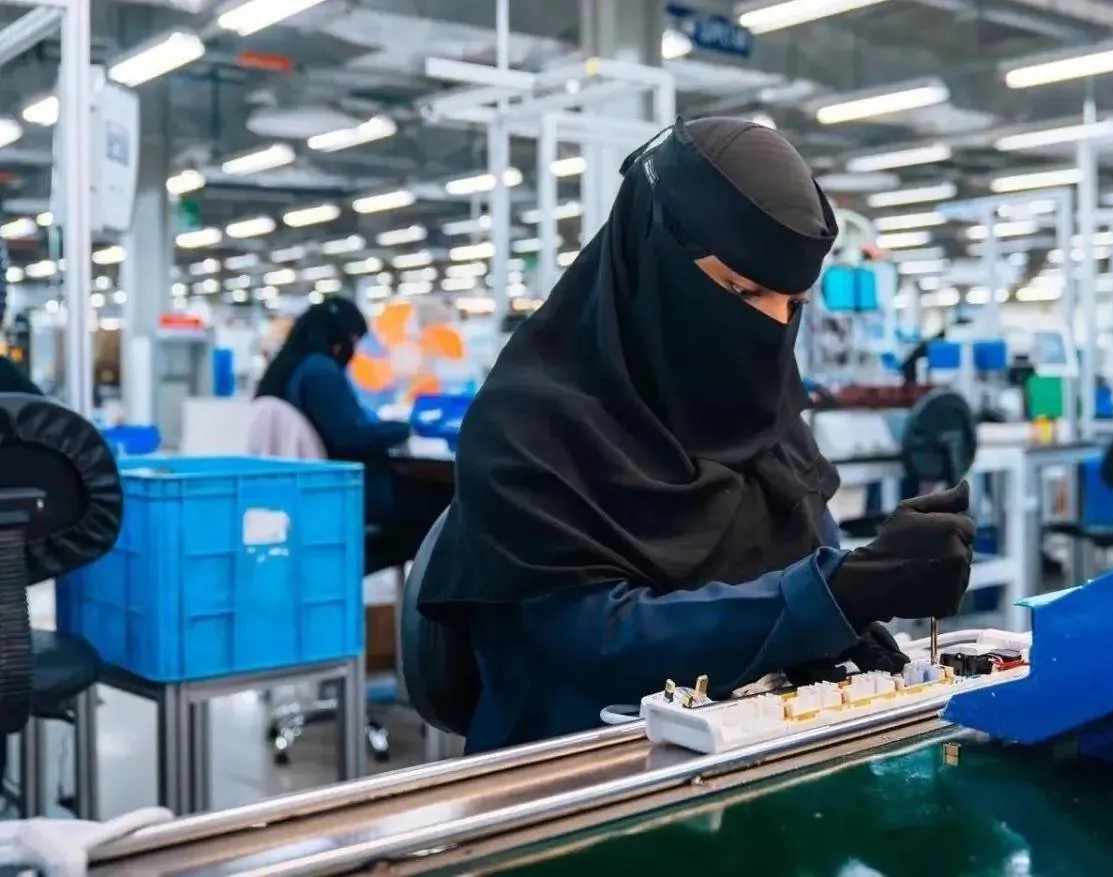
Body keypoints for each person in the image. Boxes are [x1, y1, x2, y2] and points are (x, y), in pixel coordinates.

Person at [418, 118, 977, 753]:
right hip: (577, 777)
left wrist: (855, 608)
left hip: (750, 763)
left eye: (792, 305)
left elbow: (805, 562)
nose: (769, 328)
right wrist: (834, 594)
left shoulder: (766, 415)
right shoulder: (526, 423)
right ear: (654, 256)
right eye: (744, 290)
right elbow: (591, 644)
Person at [255, 297, 448, 557]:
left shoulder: (285, 369)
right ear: (340, 338)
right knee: (447, 504)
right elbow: (351, 436)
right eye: (355, 340)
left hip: (313, 488)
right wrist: (404, 428)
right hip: (350, 489)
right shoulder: (320, 371)